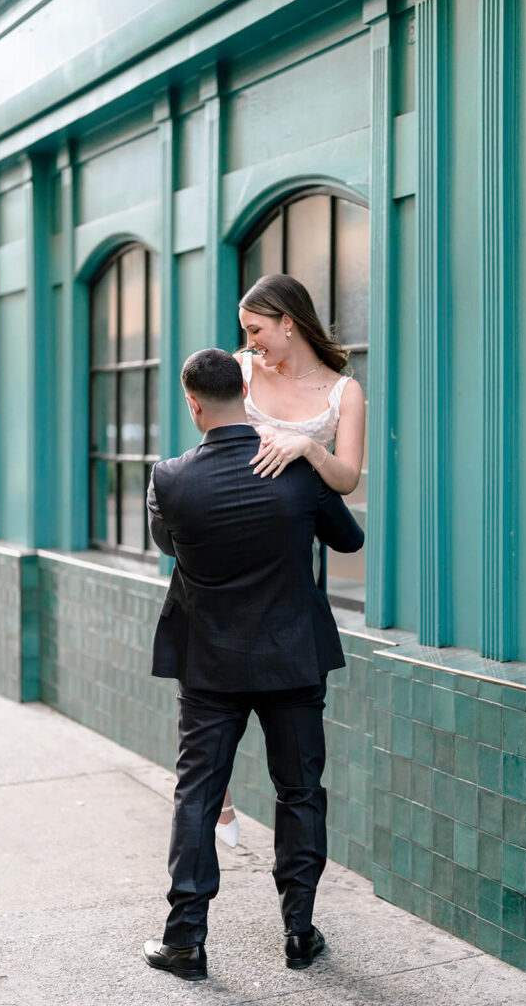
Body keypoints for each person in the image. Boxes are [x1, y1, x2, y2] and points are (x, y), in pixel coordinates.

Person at [143, 348, 364, 980]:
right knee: (300, 791)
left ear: (193, 405)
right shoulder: (296, 470)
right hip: (293, 659)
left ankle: (185, 941)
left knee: (197, 794)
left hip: (209, 665)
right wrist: (309, 468)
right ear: (245, 391)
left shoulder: (169, 479)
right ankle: (299, 933)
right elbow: (349, 539)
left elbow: (169, 544)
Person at [215, 273, 366, 846]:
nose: (249, 341)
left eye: (256, 329)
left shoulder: (344, 392)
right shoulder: (241, 370)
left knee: (286, 700)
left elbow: (346, 478)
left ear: (288, 322)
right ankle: (216, 792)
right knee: (209, 669)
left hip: (292, 558)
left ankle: (289, 825)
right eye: (245, 331)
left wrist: (307, 448)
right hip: (229, 543)